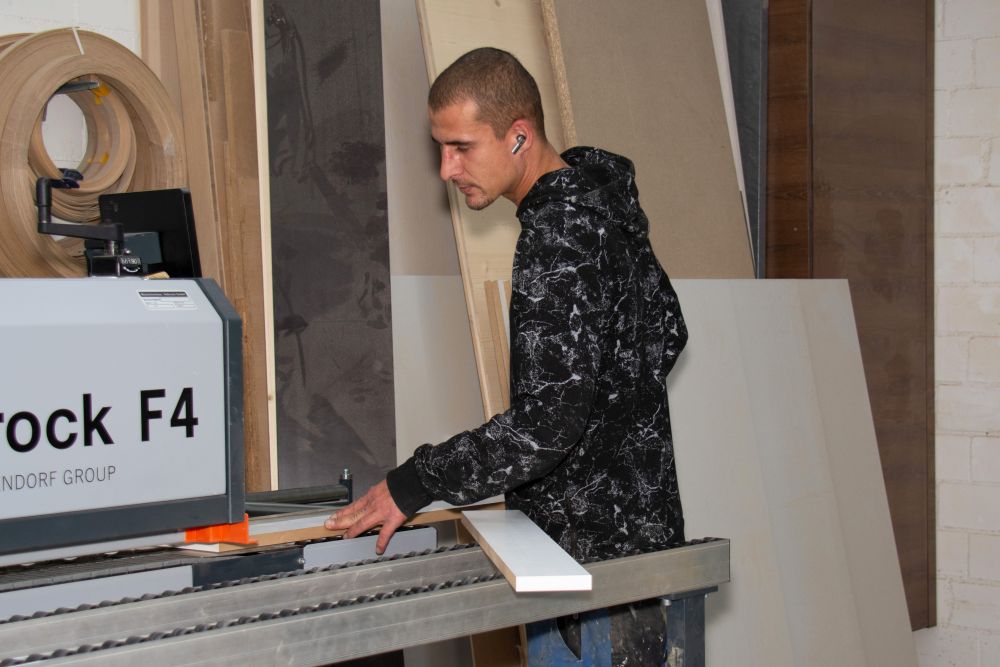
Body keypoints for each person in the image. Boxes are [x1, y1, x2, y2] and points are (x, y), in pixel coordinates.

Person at [326, 47, 687, 664]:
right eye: (441, 148)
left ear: (518, 136)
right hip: (641, 545)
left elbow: (545, 427)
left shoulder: (558, 238)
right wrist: (609, 441)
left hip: (584, 570)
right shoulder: (603, 205)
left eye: (461, 147)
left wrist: (415, 482)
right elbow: (667, 331)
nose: (447, 168)